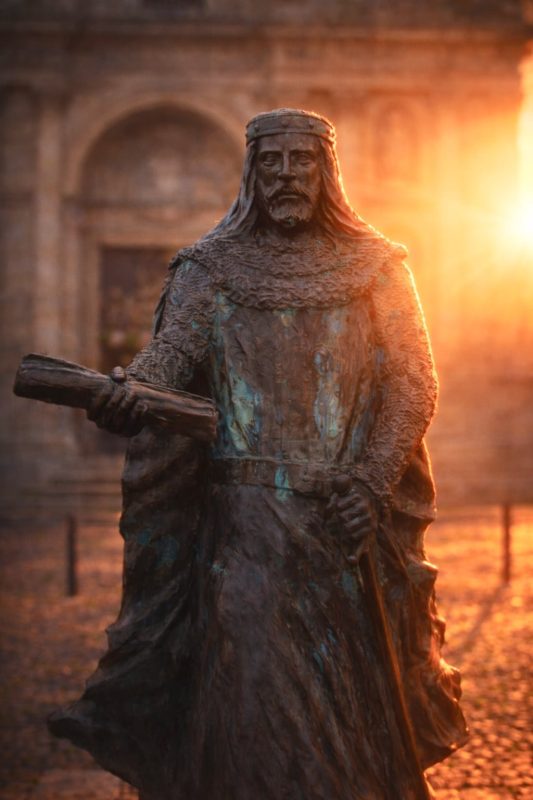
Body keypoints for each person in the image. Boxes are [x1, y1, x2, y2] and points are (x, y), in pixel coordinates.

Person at [49, 109, 468, 799]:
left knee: (347, 713)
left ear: (326, 171)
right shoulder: (208, 268)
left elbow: (412, 384)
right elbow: (169, 361)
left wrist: (369, 484)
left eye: (301, 161)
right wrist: (128, 392)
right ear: (251, 172)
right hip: (242, 533)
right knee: (245, 693)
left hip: (340, 530)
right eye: (271, 162)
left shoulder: (377, 268)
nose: (286, 175)